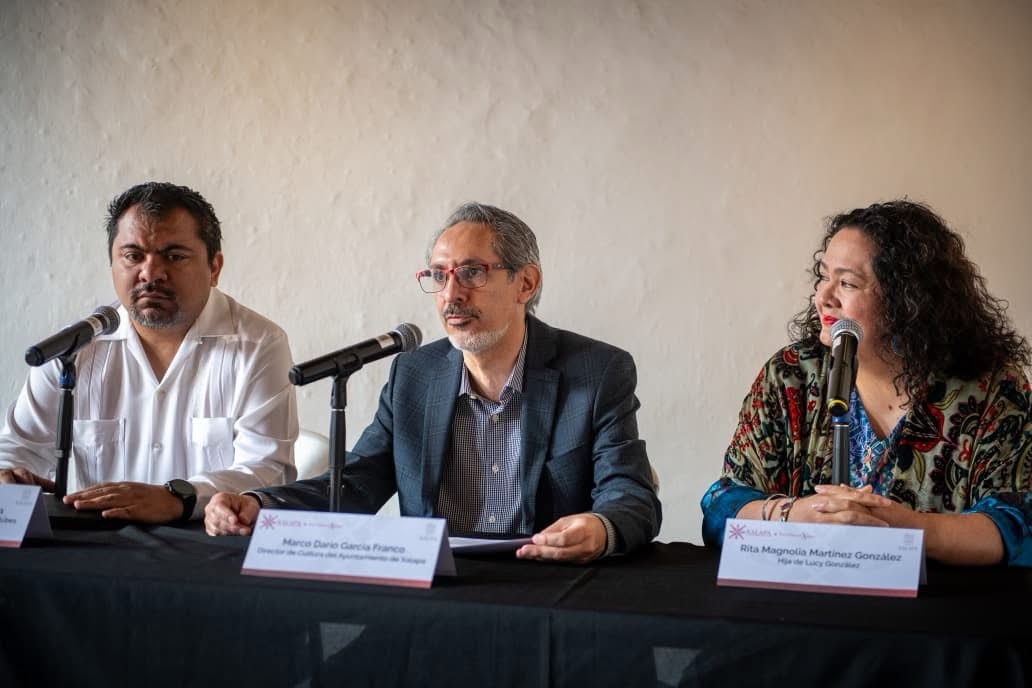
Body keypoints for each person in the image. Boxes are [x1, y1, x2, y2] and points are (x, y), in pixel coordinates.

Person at [205, 201, 661, 563]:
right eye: (439, 276)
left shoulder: (597, 371)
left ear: (526, 284)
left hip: (545, 587)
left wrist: (603, 530)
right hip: (441, 589)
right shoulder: (414, 374)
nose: (451, 294)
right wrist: (262, 504)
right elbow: (356, 483)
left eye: (471, 273)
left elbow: (630, 492)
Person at [701, 199, 1032, 566]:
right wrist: (796, 515)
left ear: (907, 300)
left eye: (847, 283)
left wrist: (904, 529)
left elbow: (1018, 526)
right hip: (801, 606)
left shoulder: (990, 388)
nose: (823, 298)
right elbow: (721, 506)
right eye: (823, 277)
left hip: (941, 611)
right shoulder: (791, 374)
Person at [0, 182, 298, 523]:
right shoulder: (73, 348)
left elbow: (269, 472)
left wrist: (178, 498)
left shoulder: (259, 344)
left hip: (204, 546)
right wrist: (7, 476)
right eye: (133, 256)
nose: (151, 273)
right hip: (91, 546)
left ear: (214, 267)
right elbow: (17, 448)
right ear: (112, 263)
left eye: (174, 256)